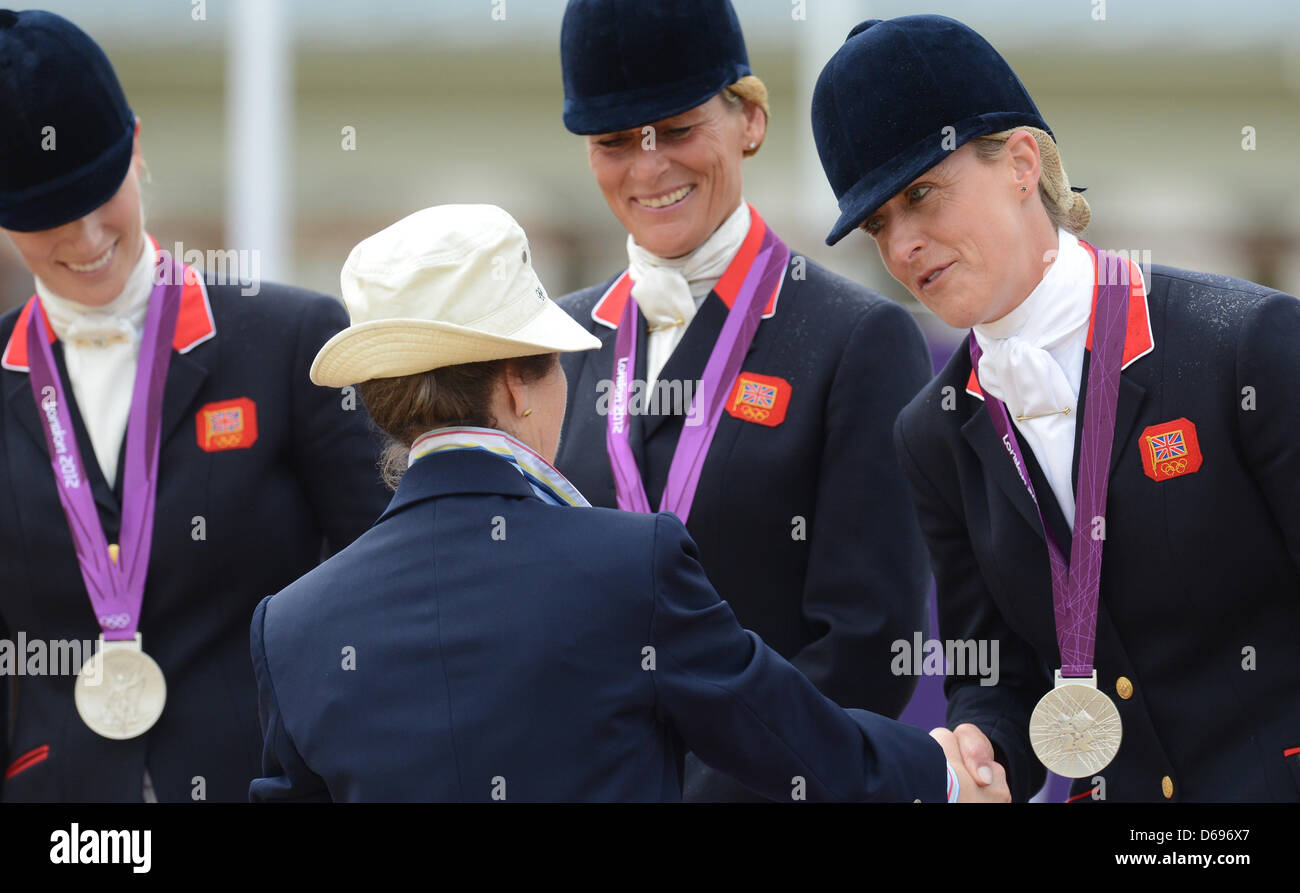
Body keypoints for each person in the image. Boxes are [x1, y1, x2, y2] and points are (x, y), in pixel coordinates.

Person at [247, 203, 1006, 803]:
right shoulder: (629, 564)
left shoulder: (293, 625)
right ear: (518, 382)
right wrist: (941, 773)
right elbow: (794, 740)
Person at [812, 14, 1300, 802]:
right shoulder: (930, 434)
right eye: (879, 224)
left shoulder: (1245, 344)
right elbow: (997, 673)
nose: (903, 245)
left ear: (1021, 162)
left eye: (921, 195)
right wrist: (978, 746)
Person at [0, 9, 390, 801]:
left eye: (98, 194)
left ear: (137, 147)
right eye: (45, 216)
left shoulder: (292, 340)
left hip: (259, 780)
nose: (83, 238)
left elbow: (385, 589)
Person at [552, 0, 934, 801]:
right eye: (614, 142)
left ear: (750, 121)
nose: (648, 167)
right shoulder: (556, 341)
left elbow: (865, 645)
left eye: (678, 129)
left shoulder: (857, 339)